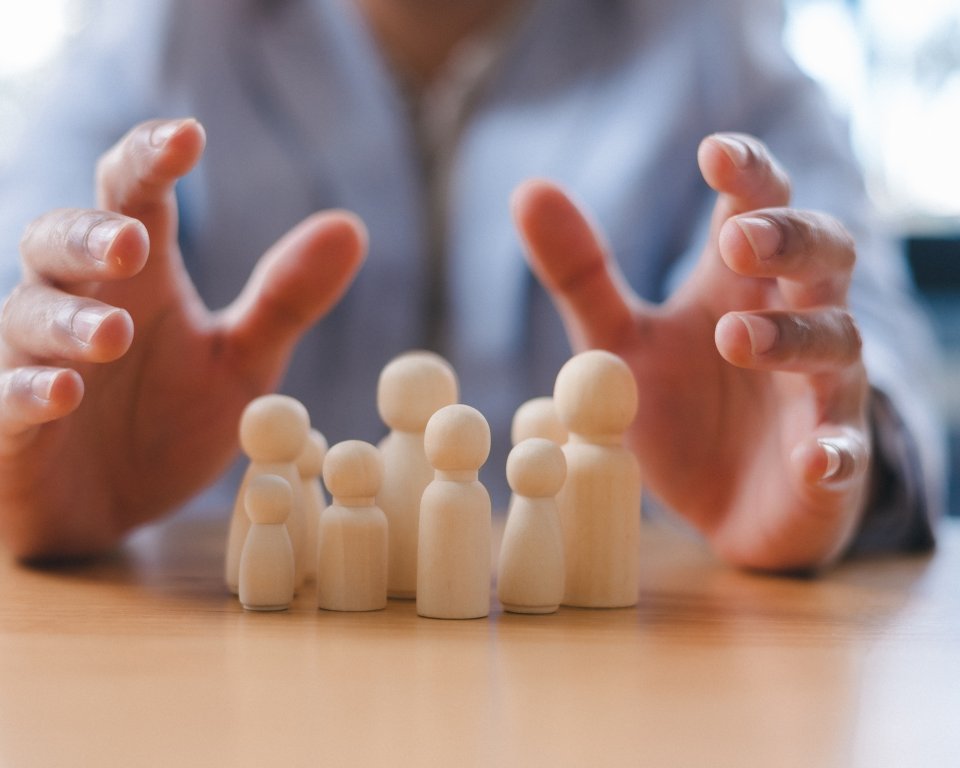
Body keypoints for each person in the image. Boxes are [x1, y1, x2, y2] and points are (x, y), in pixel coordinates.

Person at [0, 0, 945, 568]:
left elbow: (868, 344)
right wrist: (25, 440)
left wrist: (839, 458)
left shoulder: (721, 47)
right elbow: (25, 290)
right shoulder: (144, 37)